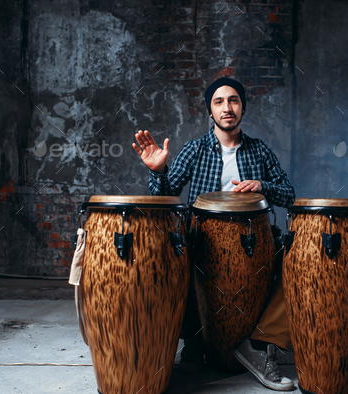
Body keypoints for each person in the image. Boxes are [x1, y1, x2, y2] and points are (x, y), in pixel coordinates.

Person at [132, 77, 296, 391]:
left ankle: (260, 345)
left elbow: (289, 195)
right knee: (171, 265)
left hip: (254, 243)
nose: (227, 107)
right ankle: (192, 341)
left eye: (233, 100)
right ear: (210, 111)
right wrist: (158, 172)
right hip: (201, 240)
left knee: (297, 268)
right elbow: (166, 199)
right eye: (218, 101)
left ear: (243, 108)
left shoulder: (259, 151)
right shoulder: (195, 150)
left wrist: (264, 186)